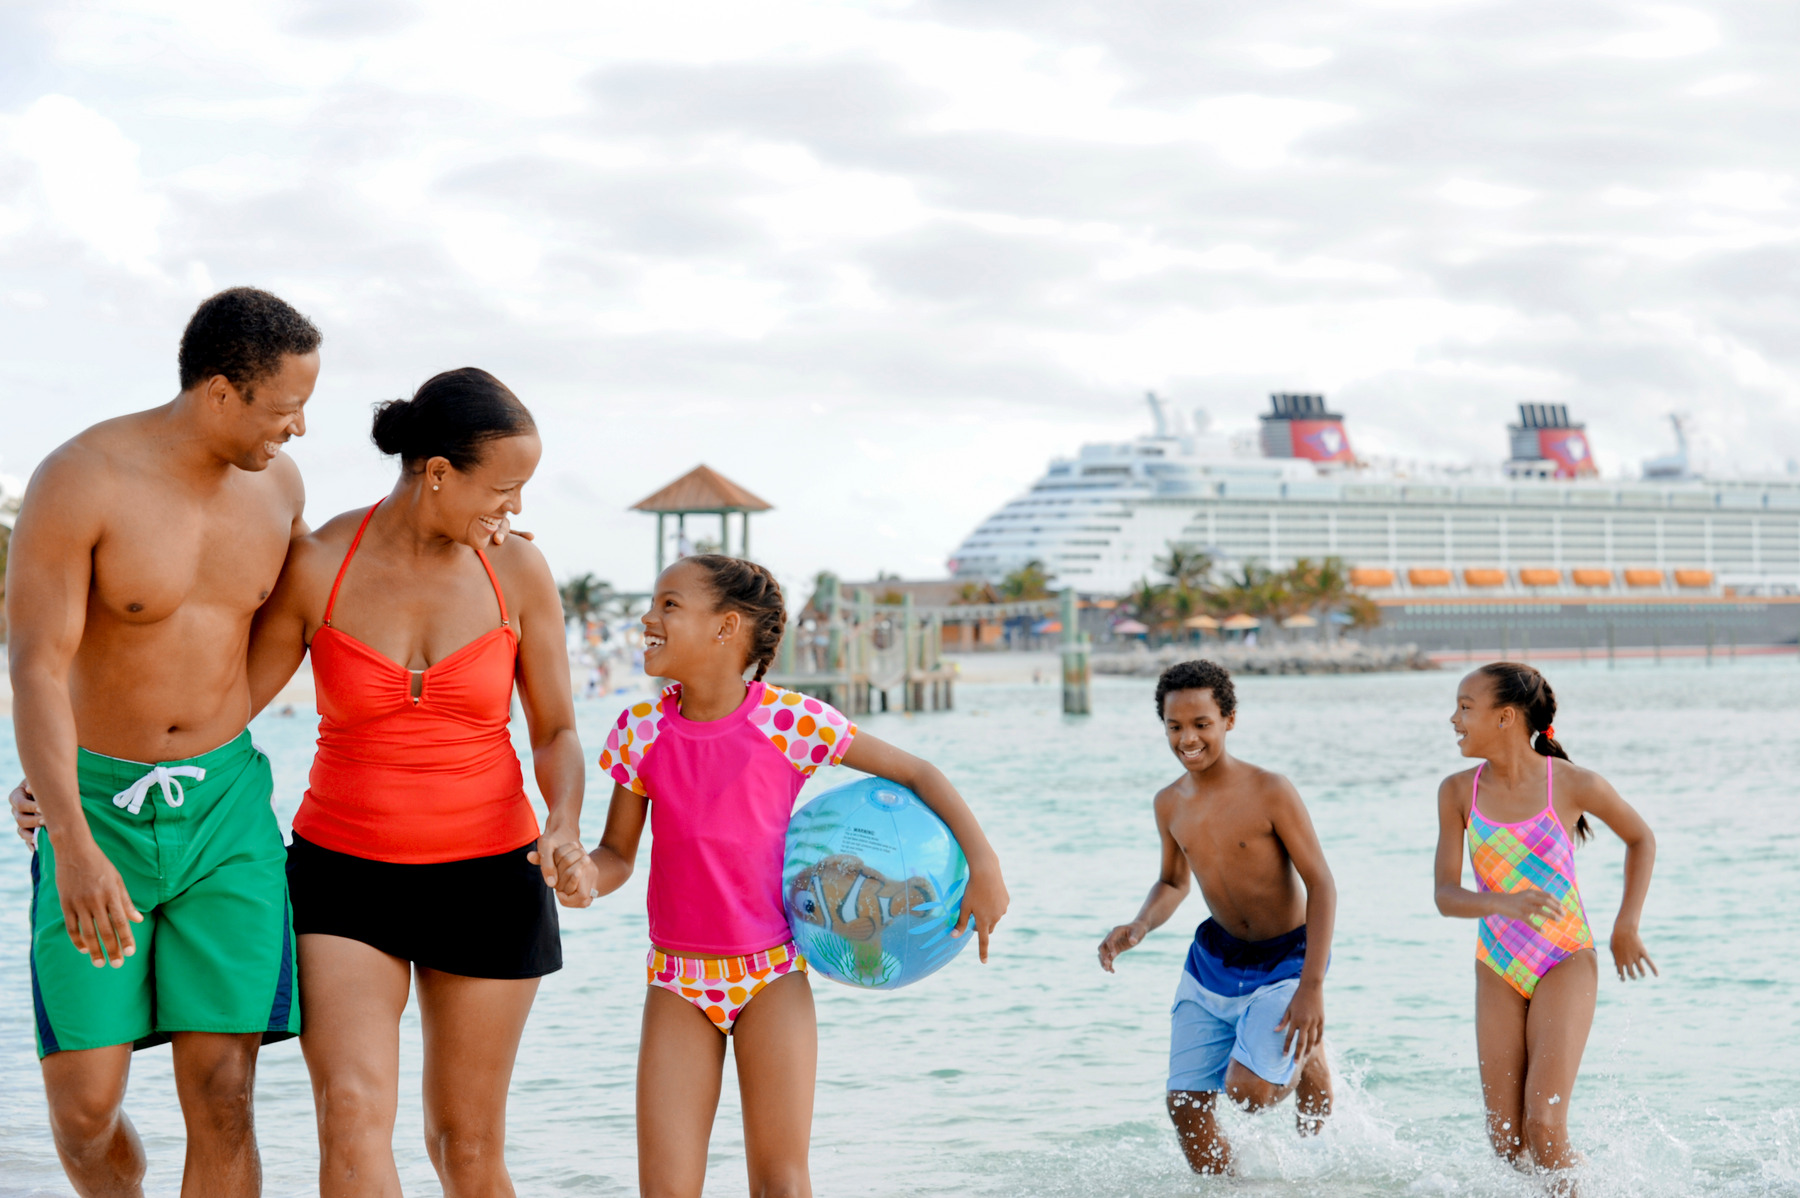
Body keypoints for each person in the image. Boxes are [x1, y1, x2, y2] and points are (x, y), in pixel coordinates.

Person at [246, 367, 597, 1197]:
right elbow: (219, 712)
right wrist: (77, 768)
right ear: (436, 471)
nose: (513, 511)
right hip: (344, 875)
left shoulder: (516, 574)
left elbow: (555, 730)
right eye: (503, 489)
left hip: (491, 875)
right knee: (351, 1112)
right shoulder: (317, 565)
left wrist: (565, 821)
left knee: (465, 1147)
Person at [5, 287, 319, 1198]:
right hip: (95, 809)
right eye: (286, 406)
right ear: (221, 392)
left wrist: (477, 537)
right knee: (84, 1107)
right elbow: (34, 666)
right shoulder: (83, 478)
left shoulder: (281, 489)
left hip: (225, 811)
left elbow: (313, 608)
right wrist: (67, 830)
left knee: (224, 1093)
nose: (298, 430)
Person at [583, 554, 1010, 1198]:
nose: (648, 616)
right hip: (676, 981)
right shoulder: (640, 733)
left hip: (771, 978)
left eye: (670, 604)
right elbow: (616, 854)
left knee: (781, 1183)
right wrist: (581, 877)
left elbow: (919, 774)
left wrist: (984, 865)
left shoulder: (789, 721)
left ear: (726, 628)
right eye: (654, 602)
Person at [1097, 659, 1336, 1175]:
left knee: (1249, 1096)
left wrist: (1311, 986)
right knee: (1185, 1106)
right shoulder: (1168, 803)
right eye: (1175, 726)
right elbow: (1174, 882)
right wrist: (1139, 925)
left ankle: (1308, 1055)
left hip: (1287, 958)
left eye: (1201, 724)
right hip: (1214, 958)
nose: (1188, 738)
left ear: (1228, 719)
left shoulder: (1271, 789)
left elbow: (1321, 883)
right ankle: (1234, 1190)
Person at [1434, 662, 1657, 1189]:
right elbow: (1445, 896)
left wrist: (1626, 925)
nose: (1454, 718)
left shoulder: (1572, 783)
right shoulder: (1457, 792)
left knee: (1545, 1126)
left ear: (1506, 717)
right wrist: (1502, 904)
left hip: (1565, 958)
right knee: (1507, 1139)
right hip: (1497, 966)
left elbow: (1641, 838)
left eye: (1466, 708)